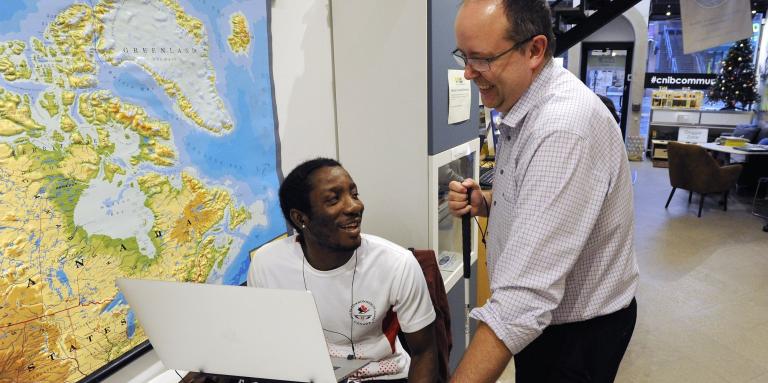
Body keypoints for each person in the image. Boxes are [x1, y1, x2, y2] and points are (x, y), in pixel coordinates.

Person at [448, 1, 639, 382]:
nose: (469, 74)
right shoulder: (524, 102)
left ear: (534, 50)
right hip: (551, 322)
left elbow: (523, 299)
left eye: (482, 59)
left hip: (575, 330)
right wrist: (486, 202)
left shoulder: (560, 129)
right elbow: (541, 205)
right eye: (464, 57)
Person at [248, 158, 438, 382]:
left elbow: (424, 351)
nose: (355, 206)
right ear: (300, 218)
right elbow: (262, 341)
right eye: (333, 199)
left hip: (381, 375)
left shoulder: (397, 264)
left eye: (354, 194)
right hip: (307, 375)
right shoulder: (267, 264)